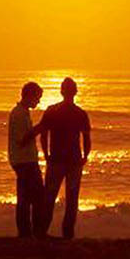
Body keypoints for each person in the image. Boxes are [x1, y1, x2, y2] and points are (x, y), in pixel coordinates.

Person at [39, 77, 91, 239]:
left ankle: (42, 231)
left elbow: (43, 134)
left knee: (49, 197)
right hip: (73, 161)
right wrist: (85, 156)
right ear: (75, 92)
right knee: (72, 199)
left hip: (56, 160)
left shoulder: (52, 110)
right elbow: (87, 139)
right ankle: (67, 233)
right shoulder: (80, 113)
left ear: (61, 91)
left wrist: (46, 154)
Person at [7, 81, 45, 238]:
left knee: (25, 197)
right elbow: (22, 140)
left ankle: (25, 232)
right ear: (30, 96)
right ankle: (34, 232)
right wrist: (40, 128)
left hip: (22, 160)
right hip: (25, 161)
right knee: (36, 196)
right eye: (37, 98)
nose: (38, 101)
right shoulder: (20, 114)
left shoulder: (21, 112)